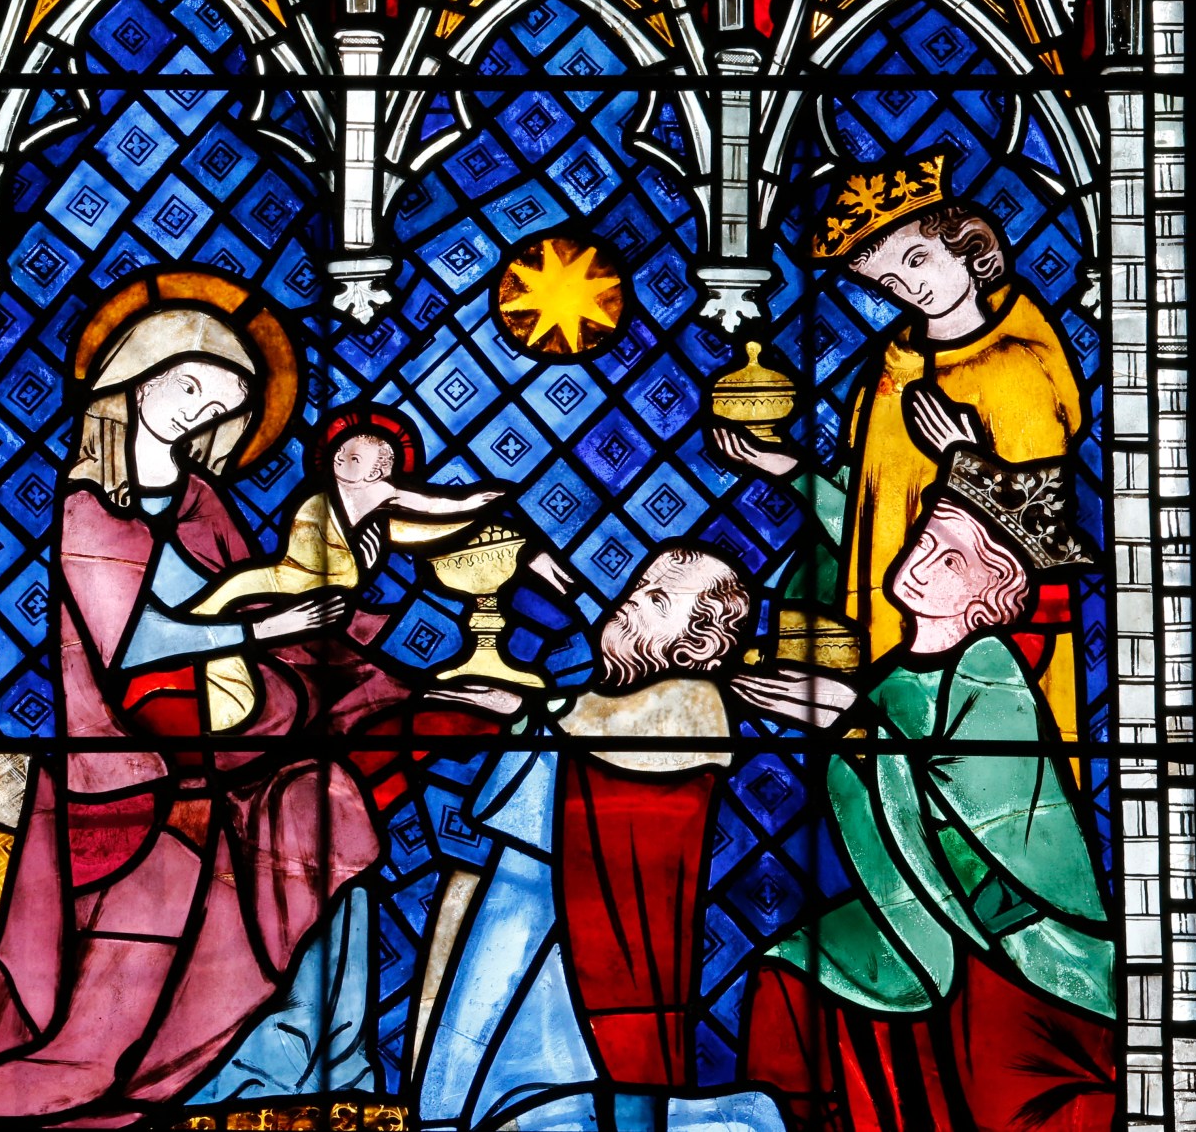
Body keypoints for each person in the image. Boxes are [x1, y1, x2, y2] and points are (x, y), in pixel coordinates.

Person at [0, 285, 410, 1124]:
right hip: (125, 776)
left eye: (224, 402)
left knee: (334, 808)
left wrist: (327, 603)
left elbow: (250, 601)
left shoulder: (202, 501)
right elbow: (132, 644)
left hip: (225, 745)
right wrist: (279, 621)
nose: (201, 411)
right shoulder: (87, 507)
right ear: (135, 379)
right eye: (190, 386)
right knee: (105, 1034)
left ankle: (289, 1059)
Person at [743, 446, 1115, 1132]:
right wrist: (793, 470)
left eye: (952, 558)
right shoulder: (890, 669)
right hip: (915, 910)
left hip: (1019, 945)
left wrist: (851, 724)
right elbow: (859, 533)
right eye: (925, 537)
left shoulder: (988, 667)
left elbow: (979, 821)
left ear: (991, 593)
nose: (919, 559)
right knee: (789, 968)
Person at [711, 151, 1086, 741]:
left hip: (988, 647)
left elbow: (1045, 534)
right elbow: (867, 520)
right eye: (890, 281)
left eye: (919, 259)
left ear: (971, 247)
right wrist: (785, 466)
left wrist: (963, 462)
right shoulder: (890, 372)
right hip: (890, 623)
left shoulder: (1016, 370)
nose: (913, 286)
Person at [414, 543, 785, 1132]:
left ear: (700, 644)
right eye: (638, 588)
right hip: (531, 912)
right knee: (485, 1064)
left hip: (610, 948)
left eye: (658, 599)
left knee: (596, 1088)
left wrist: (529, 701)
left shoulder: (697, 702)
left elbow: (607, 735)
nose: (631, 604)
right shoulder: (591, 707)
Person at [192, 406, 502, 616]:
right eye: (340, 451)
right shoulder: (323, 493)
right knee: (234, 586)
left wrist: (467, 503)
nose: (340, 459)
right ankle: (196, 619)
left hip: (333, 573)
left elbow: (431, 504)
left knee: (244, 589)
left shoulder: (380, 490)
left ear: (374, 473)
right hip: (289, 568)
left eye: (354, 459)